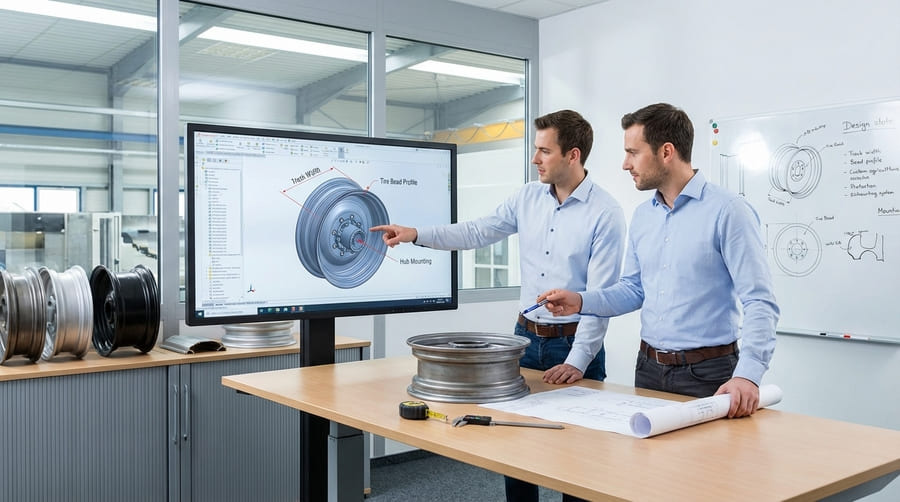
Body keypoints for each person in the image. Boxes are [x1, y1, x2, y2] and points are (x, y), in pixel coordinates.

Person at [371, 109, 626, 502]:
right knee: (514, 445)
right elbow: (477, 231)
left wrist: (577, 360)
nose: (534, 159)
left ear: (572, 155)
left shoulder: (605, 213)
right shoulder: (527, 197)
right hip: (525, 339)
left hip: (573, 344)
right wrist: (415, 234)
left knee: (579, 455)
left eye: (544, 151)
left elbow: (602, 294)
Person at [540, 103, 779, 419]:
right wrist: (580, 301)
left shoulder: (729, 211)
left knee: (707, 467)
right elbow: (633, 290)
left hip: (709, 376)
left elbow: (760, 301)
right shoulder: (643, 217)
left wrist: (748, 375)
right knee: (648, 468)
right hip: (649, 370)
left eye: (633, 152)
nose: (625, 164)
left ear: (666, 152)